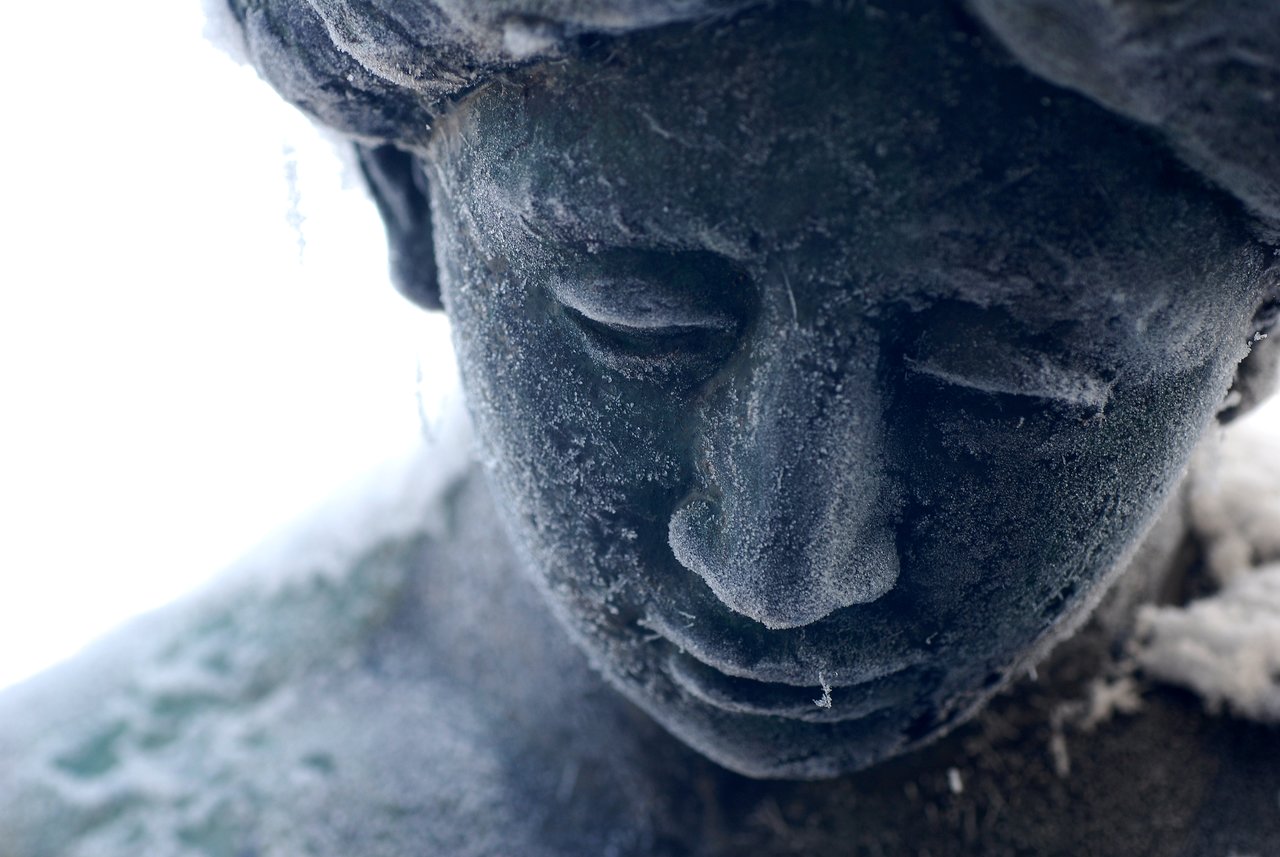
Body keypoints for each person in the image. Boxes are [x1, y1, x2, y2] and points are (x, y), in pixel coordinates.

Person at [2, 1, 1279, 854]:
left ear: (1252, 338)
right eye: (638, 321)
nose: (781, 573)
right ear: (401, 189)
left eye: (1006, 382)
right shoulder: (109, 805)